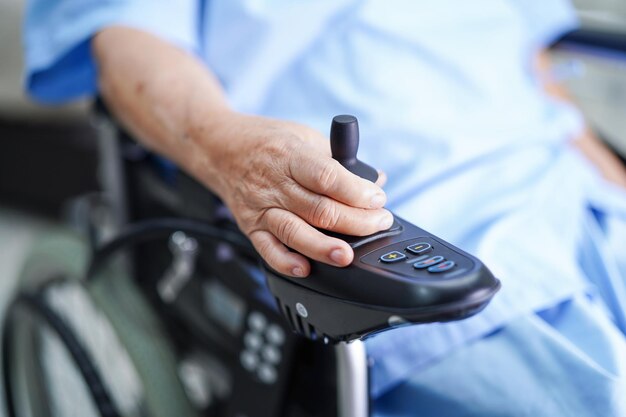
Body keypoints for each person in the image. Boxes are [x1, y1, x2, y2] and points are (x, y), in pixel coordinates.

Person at [24, 0, 626, 415]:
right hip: (405, 240)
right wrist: (230, 149)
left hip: (567, 185)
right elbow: (127, 42)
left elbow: (532, 56)